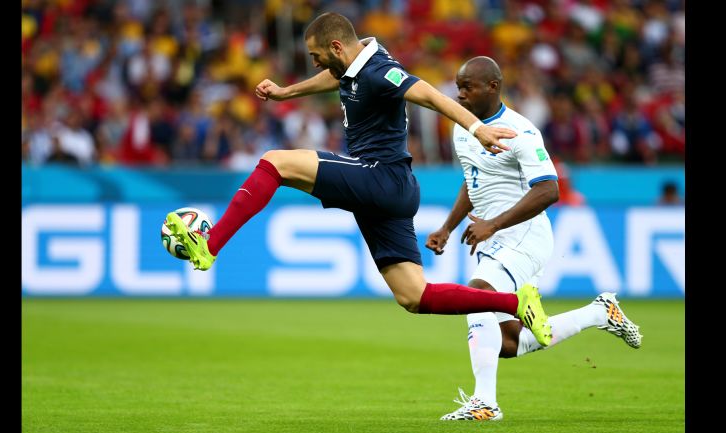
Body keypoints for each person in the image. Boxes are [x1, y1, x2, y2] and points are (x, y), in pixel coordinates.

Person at [164, 13, 552, 347]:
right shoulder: (353, 65)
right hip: (389, 189)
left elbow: (431, 96)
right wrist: (286, 94)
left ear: (336, 47)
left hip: (382, 177)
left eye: (317, 57)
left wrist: (477, 128)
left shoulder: (382, 70)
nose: (315, 65)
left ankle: (210, 245)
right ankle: (516, 304)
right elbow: (337, 80)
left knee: (275, 163)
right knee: (414, 296)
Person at [425, 56, 643, 422]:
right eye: (458, 87)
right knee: (509, 342)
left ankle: (485, 403)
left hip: (523, 234)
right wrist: (447, 227)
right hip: (495, 237)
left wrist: (492, 225)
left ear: (493, 87)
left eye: (468, 87)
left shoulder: (520, 131)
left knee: (477, 294)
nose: (459, 94)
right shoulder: (463, 127)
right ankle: (598, 313)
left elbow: (548, 190)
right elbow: (473, 178)